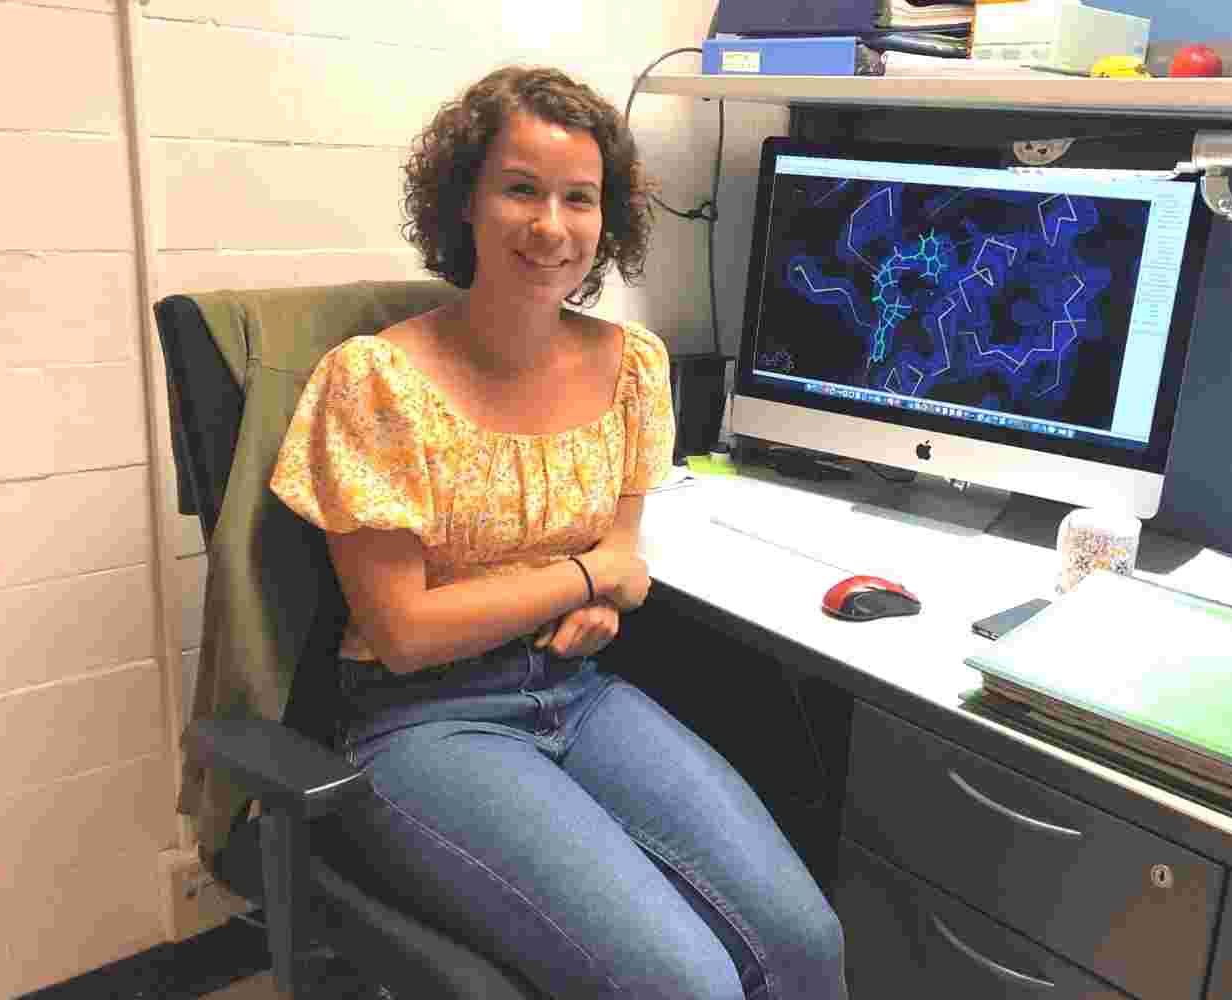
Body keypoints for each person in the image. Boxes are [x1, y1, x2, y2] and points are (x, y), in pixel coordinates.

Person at [269, 66, 847, 1000]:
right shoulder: (375, 381)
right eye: (520, 189)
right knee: (687, 985)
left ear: (606, 220)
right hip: (427, 723)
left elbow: (625, 562)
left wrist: (606, 597)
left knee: (803, 942)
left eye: (580, 199)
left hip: (578, 694)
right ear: (464, 202)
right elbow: (404, 633)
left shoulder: (631, 365)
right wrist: (586, 580)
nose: (552, 227)